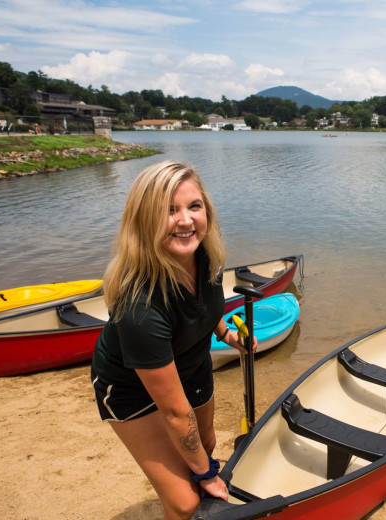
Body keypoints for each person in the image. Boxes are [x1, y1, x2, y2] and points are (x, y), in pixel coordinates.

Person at [91, 160, 255, 519]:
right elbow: (175, 412)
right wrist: (206, 474)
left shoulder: (204, 256)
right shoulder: (140, 306)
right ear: (143, 219)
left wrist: (227, 334)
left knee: (207, 444)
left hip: (190, 363)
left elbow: (202, 309)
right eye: (168, 211)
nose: (185, 221)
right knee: (185, 502)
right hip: (130, 385)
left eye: (193, 206)